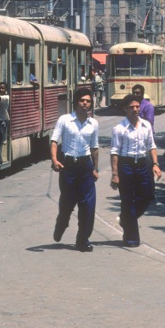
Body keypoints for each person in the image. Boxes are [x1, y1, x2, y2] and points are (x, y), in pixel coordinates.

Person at [49, 87, 100, 252]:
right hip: (68, 165)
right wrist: (55, 159)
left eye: (88, 101)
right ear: (76, 102)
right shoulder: (64, 120)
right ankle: (62, 223)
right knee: (67, 203)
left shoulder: (94, 123)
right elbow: (54, 140)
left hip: (85, 166)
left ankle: (82, 239)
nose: (85, 104)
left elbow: (95, 148)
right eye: (82, 101)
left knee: (88, 205)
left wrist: (95, 168)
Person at [110, 93, 162, 246]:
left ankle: (125, 219)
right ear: (125, 109)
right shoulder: (119, 128)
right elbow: (114, 152)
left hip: (142, 165)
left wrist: (155, 164)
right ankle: (132, 236)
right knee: (127, 200)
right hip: (125, 165)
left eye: (137, 107)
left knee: (146, 196)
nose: (135, 110)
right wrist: (115, 174)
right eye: (131, 107)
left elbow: (151, 146)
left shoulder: (146, 125)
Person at [0, 82, 10, 164]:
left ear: (6, 89)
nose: (1, 89)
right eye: (0, 88)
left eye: (3, 88)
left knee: (0, 140)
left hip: (2, 120)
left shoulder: (6, 97)